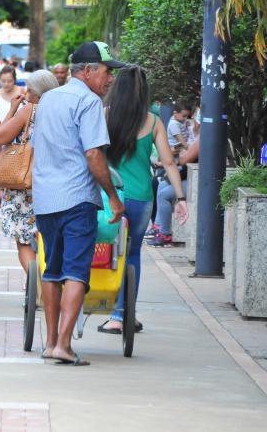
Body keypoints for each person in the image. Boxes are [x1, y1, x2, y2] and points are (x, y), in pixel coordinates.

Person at [32, 41, 125, 366]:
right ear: (87, 71)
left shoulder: (47, 99)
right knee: (75, 272)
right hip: (76, 199)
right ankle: (64, 345)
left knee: (52, 270)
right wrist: (113, 196)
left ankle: (50, 343)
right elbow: (93, 154)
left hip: (45, 199)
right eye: (106, 71)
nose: (110, 79)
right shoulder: (88, 102)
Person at [97, 65, 188, 334]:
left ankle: (100, 303)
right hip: (140, 199)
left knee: (102, 247)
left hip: (109, 196)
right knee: (132, 254)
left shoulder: (104, 116)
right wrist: (180, 197)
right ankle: (123, 314)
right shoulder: (153, 121)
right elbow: (169, 162)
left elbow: (92, 154)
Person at [0, 70, 59, 272]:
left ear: (38, 93)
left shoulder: (29, 109)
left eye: (30, 90)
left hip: (25, 183)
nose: (26, 93)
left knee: (23, 240)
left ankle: (37, 283)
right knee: (50, 238)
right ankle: (49, 280)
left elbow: (0, 137)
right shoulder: (61, 109)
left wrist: (13, 109)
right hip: (54, 181)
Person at [149, 136, 197, 247]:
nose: (193, 117)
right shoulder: (194, 134)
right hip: (186, 175)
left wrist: (181, 151)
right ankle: (158, 226)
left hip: (194, 179)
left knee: (164, 194)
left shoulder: (201, 137)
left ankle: (165, 234)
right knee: (161, 183)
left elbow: (183, 159)